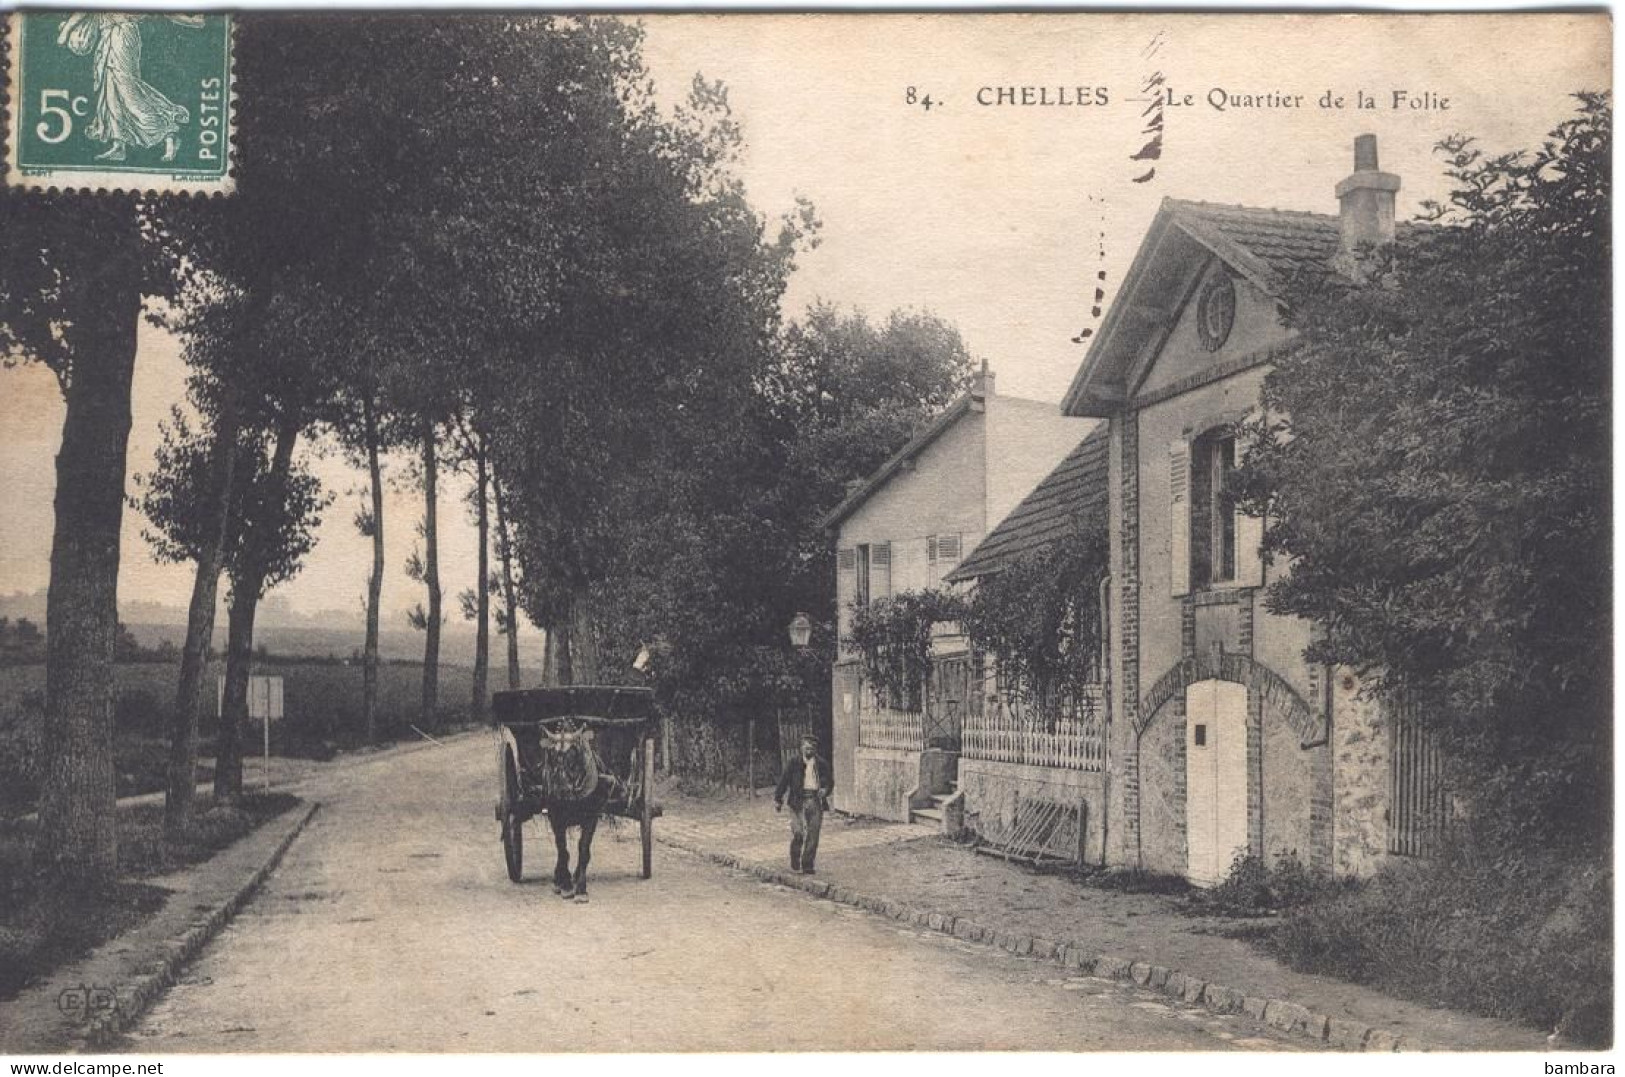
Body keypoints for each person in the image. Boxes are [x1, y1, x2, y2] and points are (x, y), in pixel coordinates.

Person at [774, 734, 833, 874]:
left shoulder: (822, 764)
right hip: (797, 801)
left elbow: (830, 781)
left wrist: (825, 790)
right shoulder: (793, 763)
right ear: (801, 748)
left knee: (813, 834)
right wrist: (778, 799)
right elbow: (784, 780)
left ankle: (807, 864)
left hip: (815, 801)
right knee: (799, 832)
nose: (809, 751)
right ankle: (795, 856)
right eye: (806, 747)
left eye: (812, 748)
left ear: (815, 749)